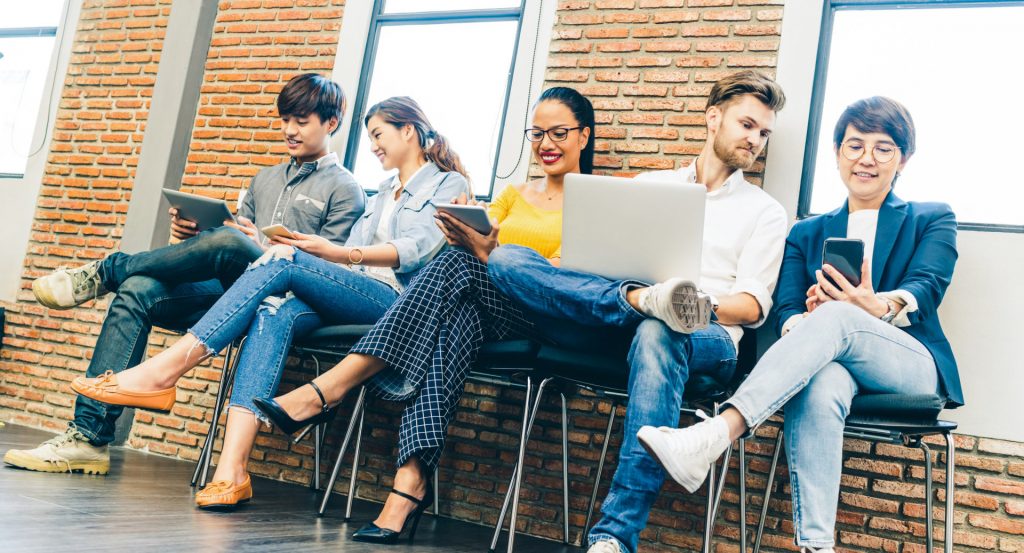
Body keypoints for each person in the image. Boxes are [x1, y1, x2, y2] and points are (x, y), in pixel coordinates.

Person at [68, 96, 469, 509]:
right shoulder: (383, 191)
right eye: (370, 138)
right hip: (353, 290)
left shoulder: (447, 184)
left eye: (378, 135)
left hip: (401, 304)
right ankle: (232, 472)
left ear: (408, 130)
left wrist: (326, 254)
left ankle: (164, 371)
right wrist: (311, 252)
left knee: (285, 259)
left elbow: (417, 249)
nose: (373, 146)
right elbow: (348, 255)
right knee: (271, 310)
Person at [253, 86, 594, 545]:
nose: (546, 143)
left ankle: (331, 389)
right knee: (457, 312)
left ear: (583, 136)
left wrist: (510, 258)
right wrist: (473, 241)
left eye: (559, 133)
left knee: (454, 267)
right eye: (537, 133)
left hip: (543, 313)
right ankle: (409, 482)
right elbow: (482, 247)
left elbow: (581, 272)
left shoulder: (594, 197)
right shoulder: (515, 194)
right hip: (492, 305)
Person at [485, 70, 790, 553]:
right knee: (506, 259)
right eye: (748, 125)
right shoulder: (651, 185)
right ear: (714, 118)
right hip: (615, 316)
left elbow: (751, 308)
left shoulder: (765, 212)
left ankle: (614, 537)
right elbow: (593, 265)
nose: (755, 140)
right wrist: (571, 271)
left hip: (706, 336)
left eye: (763, 132)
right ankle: (643, 299)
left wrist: (694, 305)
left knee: (660, 327)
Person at [639, 97, 961, 553]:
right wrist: (809, 322)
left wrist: (874, 306)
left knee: (839, 315)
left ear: (903, 159)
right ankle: (815, 545)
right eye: (854, 146)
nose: (866, 158)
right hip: (832, 360)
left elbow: (926, 288)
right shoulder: (805, 231)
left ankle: (717, 432)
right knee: (822, 378)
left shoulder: (932, 217)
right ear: (837, 153)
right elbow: (786, 312)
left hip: (908, 362)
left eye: (883, 148)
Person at [4, 73, 365, 476]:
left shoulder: (345, 189)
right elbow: (238, 233)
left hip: (286, 301)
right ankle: (88, 438)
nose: (289, 130)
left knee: (228, 242)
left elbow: (326, 272)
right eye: (284, 120)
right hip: (234, 294)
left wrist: (243, 243)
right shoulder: (265, 178)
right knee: (139, 289)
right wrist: (192, 235)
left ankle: (107, 269)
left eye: (301, 121)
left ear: (330, 122)